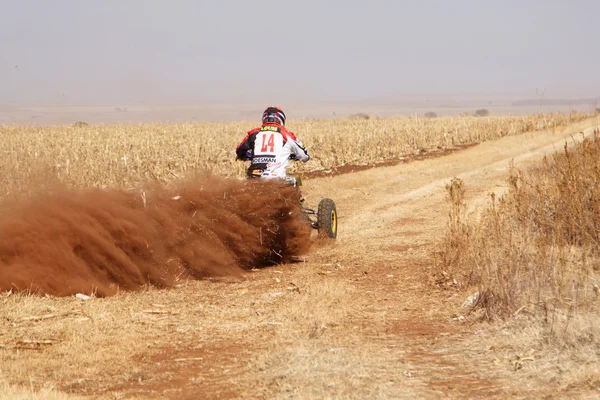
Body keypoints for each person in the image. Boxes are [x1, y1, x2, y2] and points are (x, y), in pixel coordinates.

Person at [236, 106, 310, 184]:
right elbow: (305, 156)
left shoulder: (254, 133)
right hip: (276, 178)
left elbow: (239, 150)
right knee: (298, 182)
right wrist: (294, 156)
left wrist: (248, 156)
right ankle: (300, 196)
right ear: (281, 119)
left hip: (254, 176)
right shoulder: (286, 135)